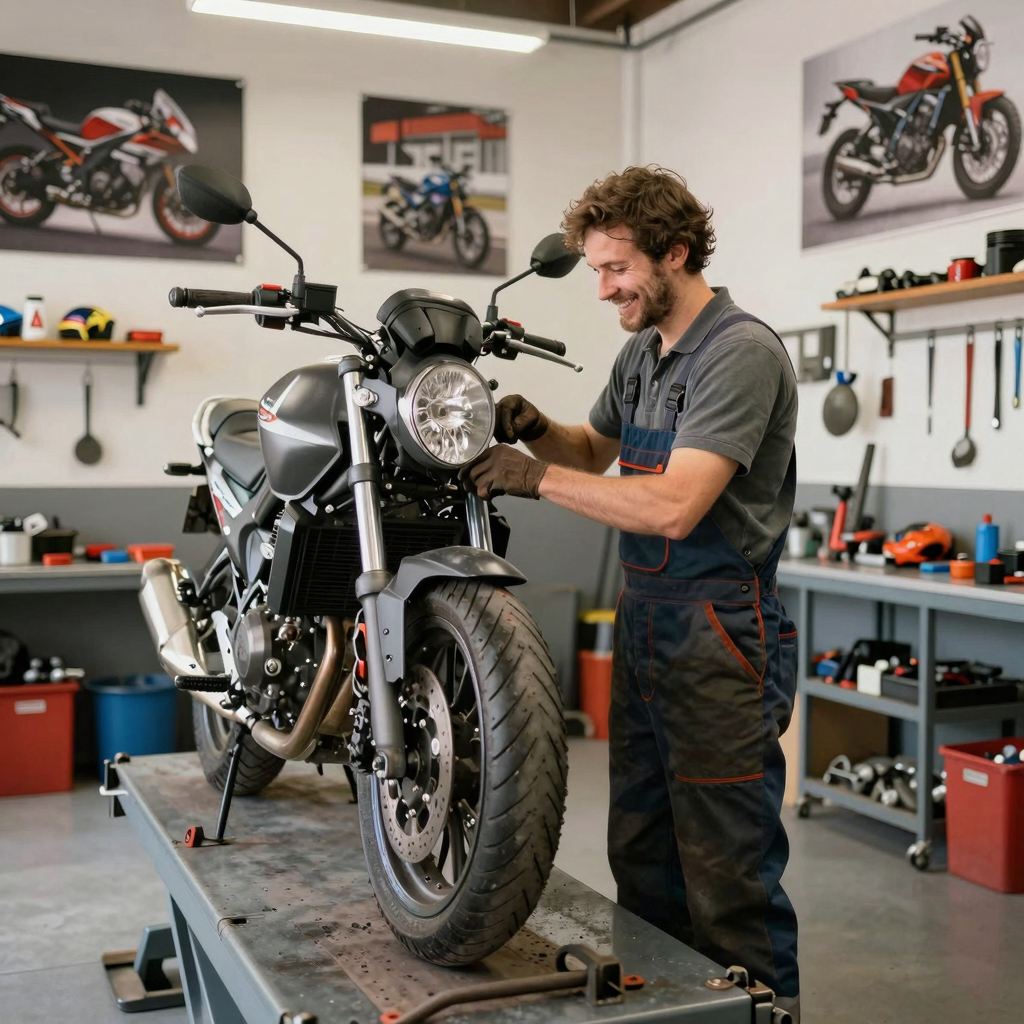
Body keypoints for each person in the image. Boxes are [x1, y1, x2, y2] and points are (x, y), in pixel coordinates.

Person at [462, 166, 800, 1019]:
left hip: (721, 630)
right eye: (596, 271)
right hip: (650, 625)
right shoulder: (641, 351)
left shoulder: (740, 354)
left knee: (729, 879)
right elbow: (593, 449)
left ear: (675, 254)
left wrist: (531, 478)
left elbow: (673, 505)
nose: (604, 287)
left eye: (616, 270)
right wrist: (538, 429)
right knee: (643, 860)